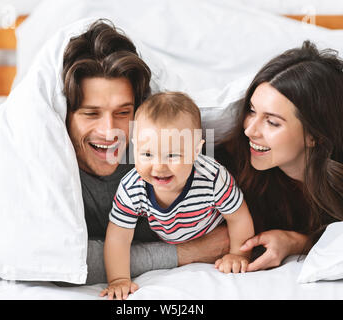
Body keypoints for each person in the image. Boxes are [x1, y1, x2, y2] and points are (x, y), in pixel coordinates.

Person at [61, 19, 230, 285]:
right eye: (91, 113)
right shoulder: (48, 170)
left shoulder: (172, 151)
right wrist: (191, 252)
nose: (109, 132)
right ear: (65, 114)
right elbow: (59, 261)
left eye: (123, 112)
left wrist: (293, 240)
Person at [215, 40, 343, 272]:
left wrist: (297, 243)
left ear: (315, 136)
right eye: (252, 111)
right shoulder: (233, 154)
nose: (250, 130)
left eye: (272, 122)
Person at [99, 92, 255, 300]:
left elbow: (238, 217)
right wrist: (118, 279)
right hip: (174, 239)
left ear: (196, 150)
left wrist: (238, 254)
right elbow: (119, 236)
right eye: (147, 154)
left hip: (215, 234)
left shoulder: (213, 177)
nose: (159, 166)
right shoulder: (132, 187)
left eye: (172, 155)